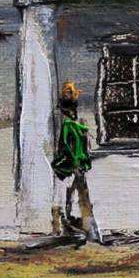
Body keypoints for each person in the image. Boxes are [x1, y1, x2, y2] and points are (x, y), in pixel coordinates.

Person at [51, 80, 97, 244]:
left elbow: (66, 147)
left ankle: (64, 226)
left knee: (68, 195)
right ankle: (82, 228)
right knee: (77, 196)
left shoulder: (72, 126)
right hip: (75, 166)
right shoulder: (74, 126)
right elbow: (71, 148)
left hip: (73, 166)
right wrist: (79, 162)